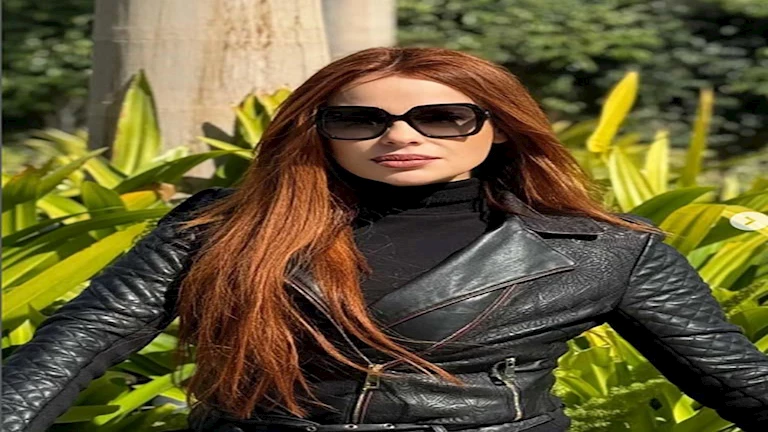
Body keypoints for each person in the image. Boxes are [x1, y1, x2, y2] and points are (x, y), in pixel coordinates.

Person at [3, 46, 767, 432]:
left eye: (442, 117)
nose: (400, 136)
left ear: (500, 128)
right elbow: (77, 343)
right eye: (360, 119)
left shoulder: (605, 249)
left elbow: (735, 380)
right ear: (319, 131)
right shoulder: (219, 228)